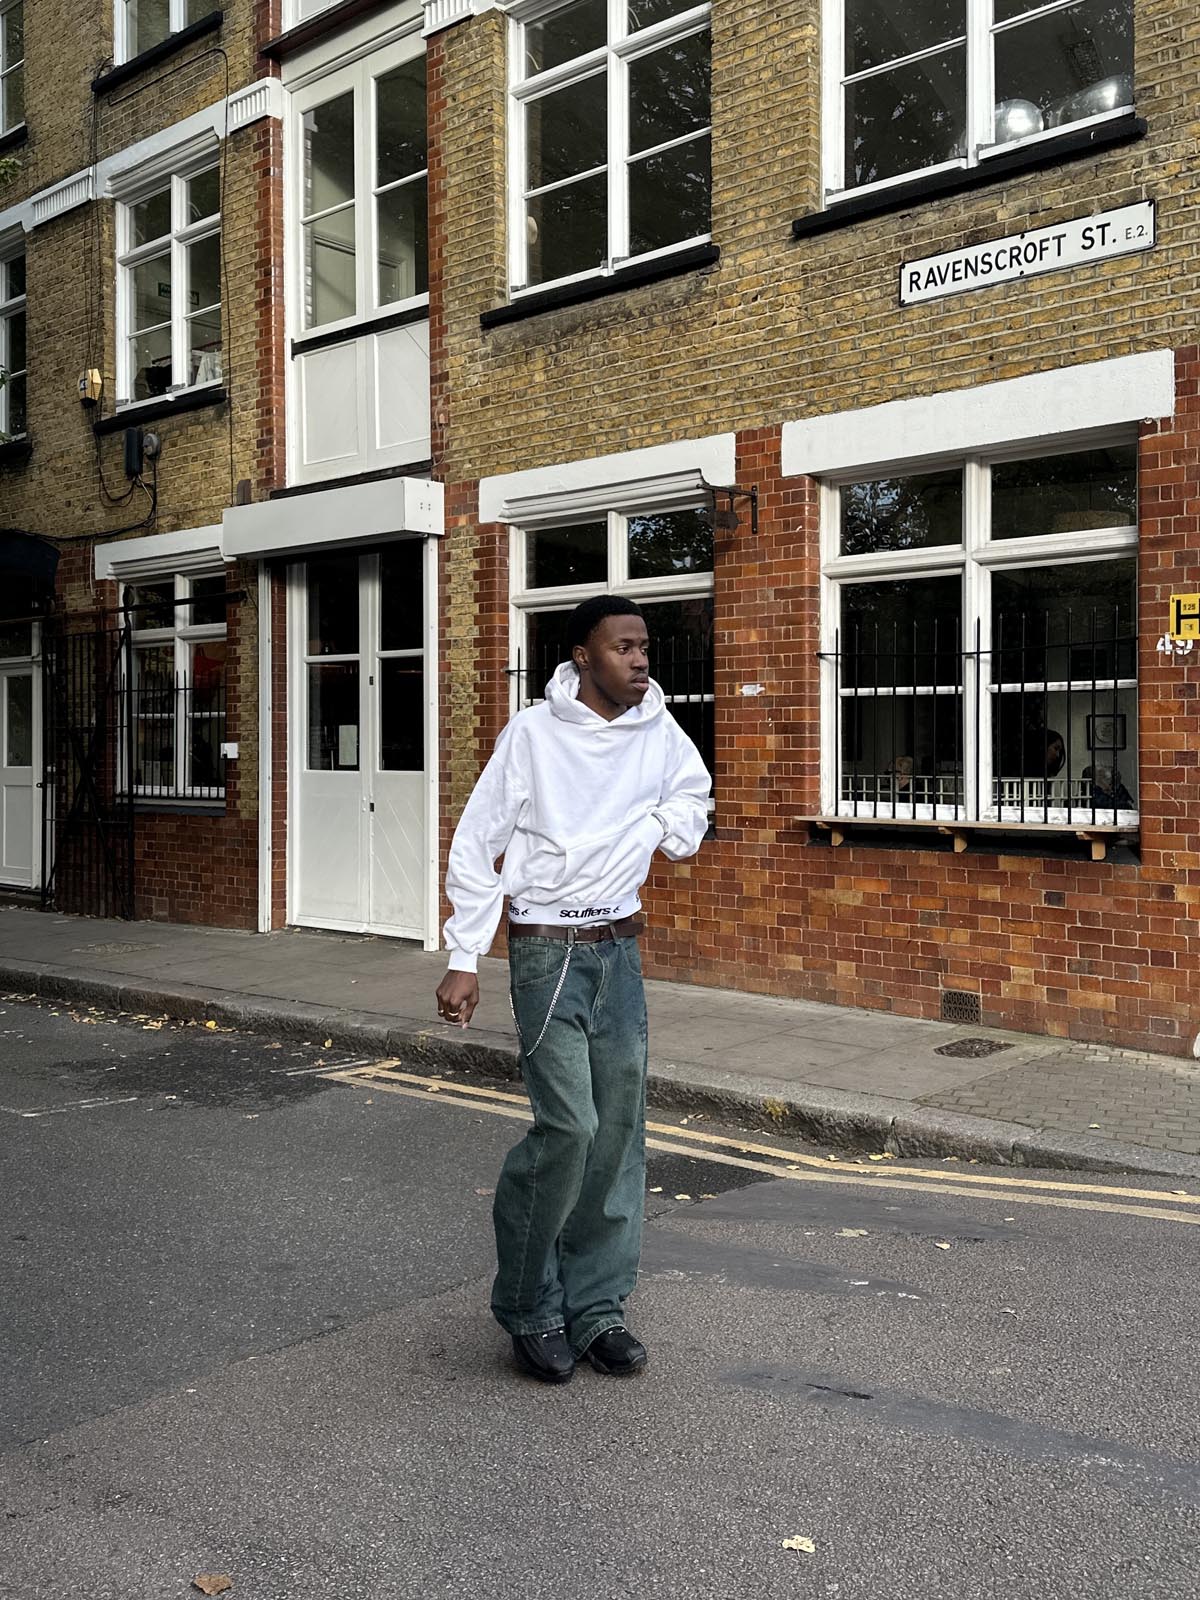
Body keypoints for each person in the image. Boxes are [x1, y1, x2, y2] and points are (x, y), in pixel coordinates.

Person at [435, 596, 711, 1385]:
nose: (639, 659)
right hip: (546, 952)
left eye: (645, 646)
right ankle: (529, 1304)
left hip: (618, 951)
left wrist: (662, 828)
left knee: (619, 1132)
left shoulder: (658, 729)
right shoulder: (532, 734)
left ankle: (596, 1310)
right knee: (570, 1129)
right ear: (583, 659)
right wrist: (465, 955)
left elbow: (692, 797)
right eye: (622, 647)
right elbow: (477, 843)